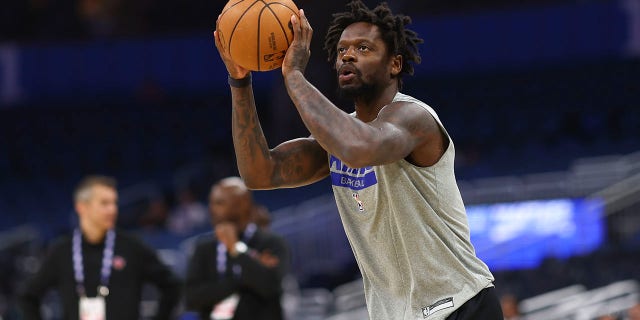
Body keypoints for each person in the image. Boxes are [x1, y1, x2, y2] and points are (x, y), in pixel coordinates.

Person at [212, 0, 501, 319]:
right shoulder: (338, 136)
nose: (347, 55)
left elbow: (359, 149)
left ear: (394, 64)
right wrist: (240, 82)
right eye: (341, 50)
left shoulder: (413, 118)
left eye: (363, 48)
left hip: (461, 305)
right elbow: (259, 173)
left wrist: (293, 75)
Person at [18, 175, 181, 320]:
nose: (113, 210)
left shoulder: (131, 246)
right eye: (105, 203)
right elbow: (28, 296)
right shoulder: (62, 250)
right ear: (82, 207)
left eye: (114, 203)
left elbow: (172, 285)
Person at [184, 177, 290, 320]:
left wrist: (236, 249)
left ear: (242, 204)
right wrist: (239, 281)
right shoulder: (203, 248)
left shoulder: (272, 242)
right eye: (211, 202)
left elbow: (269, 286)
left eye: (219, 203)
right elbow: (191, 298)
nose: (211, 209)